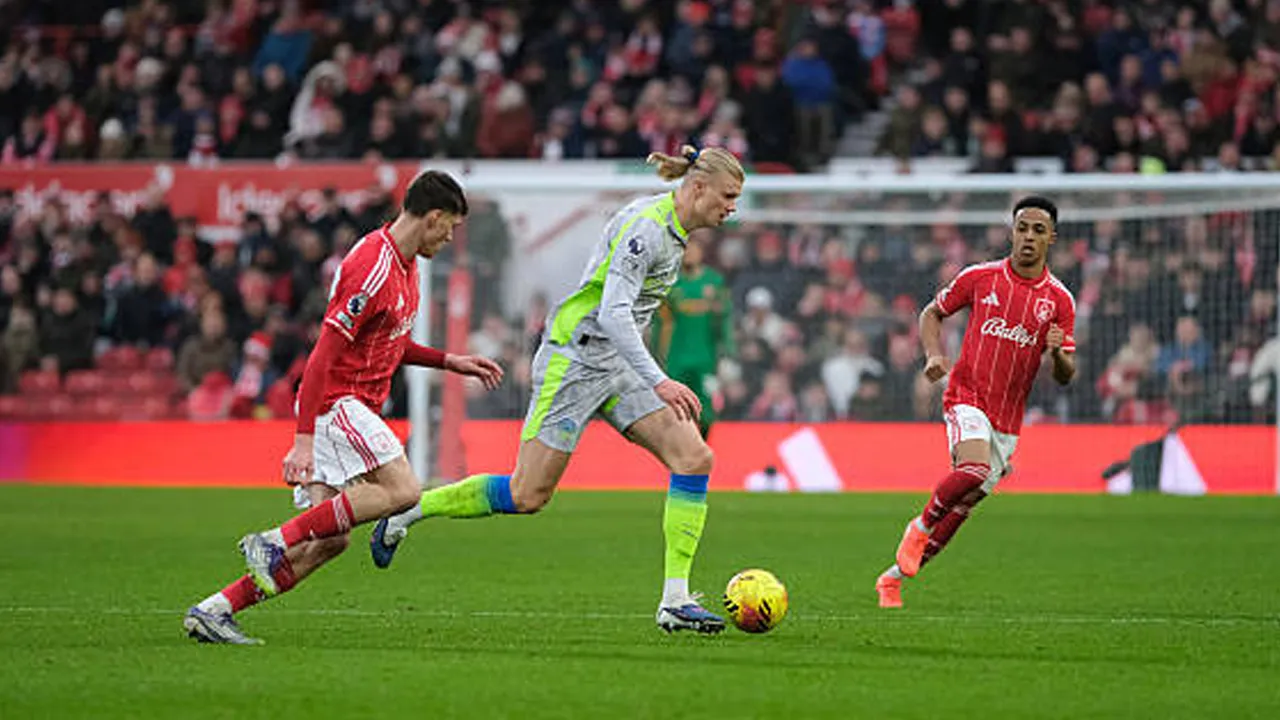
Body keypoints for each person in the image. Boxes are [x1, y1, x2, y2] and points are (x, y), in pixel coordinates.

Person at [371, 145, 745, 634]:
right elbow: (612, 314)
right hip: (576, 358)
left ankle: (675, 599)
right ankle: (413, 509)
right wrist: (660, 379)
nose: (732, 207)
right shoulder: (648, 230)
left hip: (618, 362)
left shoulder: (676, 229)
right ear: (697, 188)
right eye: (728, 196)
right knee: (527, 494)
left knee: (694, 458)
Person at [183, 170, 504, 644]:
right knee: (404, 489)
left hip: (348, 405)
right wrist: (303, 439)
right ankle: (273, 539)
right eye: (450, 227)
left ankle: (215, 609)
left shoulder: (407, 264)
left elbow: (390, 340)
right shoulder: (372, 267)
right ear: (432, 217)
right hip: (337, 402)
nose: (451, 237)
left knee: (329, 541)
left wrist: (449, 361)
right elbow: (322, 355)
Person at [875, 195, 1077, 609]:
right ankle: (918, 526)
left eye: (1039, 231)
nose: (1028, 237)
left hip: (1007, 418)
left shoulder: (1059, 301)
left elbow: (1065, 376)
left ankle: (892, 580)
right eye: (1022, 228)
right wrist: (933, 355)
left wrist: (1057, 354)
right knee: (972, 468)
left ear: (1051, 238)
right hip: (966, 395)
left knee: (965, 504)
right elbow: (931, 313)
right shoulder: (980, 278)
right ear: (1012, 230)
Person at [653, 234, 735, 438]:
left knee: (706, 409)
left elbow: (724, 319)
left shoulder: (714, 282)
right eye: (685, 250)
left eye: (694, 249)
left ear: (702, 253)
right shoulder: (671, 285)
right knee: (676, 411)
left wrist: (727, 351)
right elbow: (660, 323)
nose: (689, 254)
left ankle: (704, 445)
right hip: (676, 359)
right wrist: (657, 356)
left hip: (706, 359)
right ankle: (681, 455)